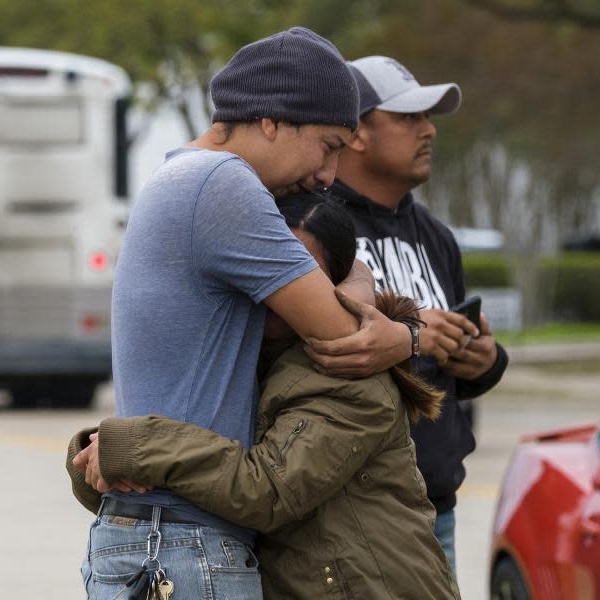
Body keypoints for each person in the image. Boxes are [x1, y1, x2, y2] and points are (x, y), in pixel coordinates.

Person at [79, 29, 414, 600]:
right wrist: (384, 308)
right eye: (329, 145)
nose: (330, 175)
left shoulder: (178, 176)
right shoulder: (222, 184)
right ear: (272, 121)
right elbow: (343, 340)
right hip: (185, 544)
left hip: (156, 535)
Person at [67, 194, 461, 599]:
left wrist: (136, 445)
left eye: (296, 270)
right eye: (264, 264)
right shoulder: (249, 354)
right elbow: (194, 462)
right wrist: (99, 456)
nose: (274, 282)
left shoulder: (347, 372)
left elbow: (269, 490)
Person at [307, 55, 510, 570]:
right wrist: (414, 334)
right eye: (408, 117)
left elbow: (451, 383)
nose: (429, 131)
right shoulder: (314, 228)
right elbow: (307, 358)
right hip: (355, 514)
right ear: (355, 133)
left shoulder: (436, 236)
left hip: (437, 511)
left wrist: (483, 360)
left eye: (429, 117)